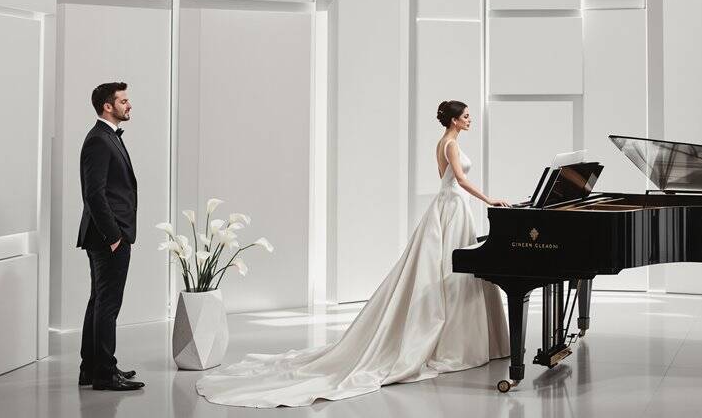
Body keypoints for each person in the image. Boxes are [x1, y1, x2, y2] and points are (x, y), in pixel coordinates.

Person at [196, 100, 511, 407]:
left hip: (447, 206)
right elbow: (460, 179)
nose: (470, 120)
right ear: (455, 120)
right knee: (449, 273)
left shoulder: (441, 141)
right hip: (452, 207)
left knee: (446, 271)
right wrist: (489, 199)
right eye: (467, 116)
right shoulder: (452, 145)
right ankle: (456, 342)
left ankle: (457, 339)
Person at [76, 82, 145, 391]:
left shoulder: (105, 137)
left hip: (106, 235)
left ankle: (91, 368)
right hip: (108, 237)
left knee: (99, 300)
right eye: (124, 100)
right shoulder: (99, 141)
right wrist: (114, 236)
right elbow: (94, 194)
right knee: (108, 305)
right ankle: (105, 373)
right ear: (108, 106)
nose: (129, 105)